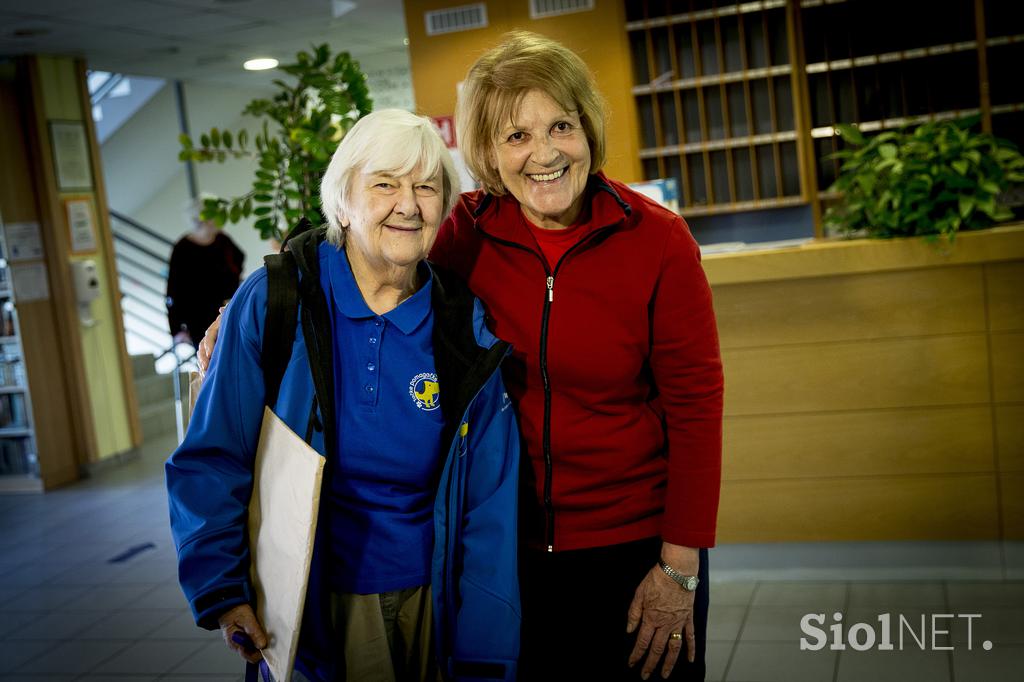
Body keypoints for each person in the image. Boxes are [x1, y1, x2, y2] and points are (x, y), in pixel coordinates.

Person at [199, 32, 723, 681]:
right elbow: (360, 236)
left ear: (587, 128)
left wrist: (680, 564)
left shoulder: (658, 240)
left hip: (632, 547)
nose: (545, 153)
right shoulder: (462, 233)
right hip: (505, 553)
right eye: (516, 136)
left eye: (561, 125)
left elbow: (697, 408)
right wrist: (239, 308)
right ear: (489, 154)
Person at [167, 109, 521, 682]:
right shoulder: (277, 301)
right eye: (385, 184)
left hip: (435, 597)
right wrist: (222, 589)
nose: (408, 204)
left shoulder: (463, 324)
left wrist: (485, 644)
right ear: (344, 199)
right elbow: (212, 454)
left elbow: (489, 503)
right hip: (310, 600)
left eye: (427, 186)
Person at [165, 197, 245, 349]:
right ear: (202, 220)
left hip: (227, 310)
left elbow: (239, 258)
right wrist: (176, 330)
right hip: (198, 318)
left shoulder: (223, 239)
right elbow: (173, 291)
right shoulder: (182, 249)